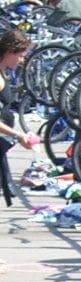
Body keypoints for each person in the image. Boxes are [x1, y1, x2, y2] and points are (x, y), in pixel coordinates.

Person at [0, 30, 37, 207]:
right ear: (9, 51)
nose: (22, 61)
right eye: (21, 56)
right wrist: (17, 135)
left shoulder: (3, 72)